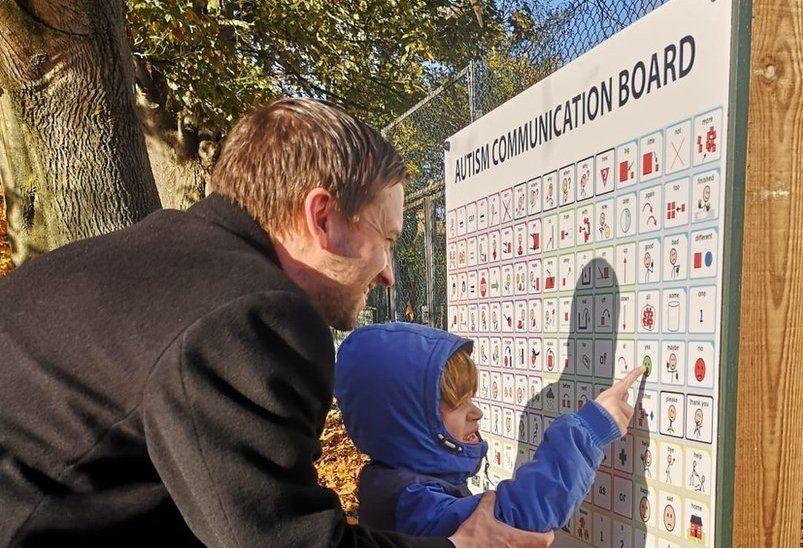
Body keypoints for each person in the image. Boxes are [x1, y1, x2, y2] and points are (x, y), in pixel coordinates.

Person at [0, 98, 550, 547]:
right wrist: (463, 546)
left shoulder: (155, 263)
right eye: (387, 239)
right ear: (322, 217)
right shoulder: (254, 316)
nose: (387, 274)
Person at [333, 322, 645, 536]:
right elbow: (512, 523)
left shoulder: (397, 476)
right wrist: (587, 433)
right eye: (458, 403)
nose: (477, 413)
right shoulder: (412, 502)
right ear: (406, 420)